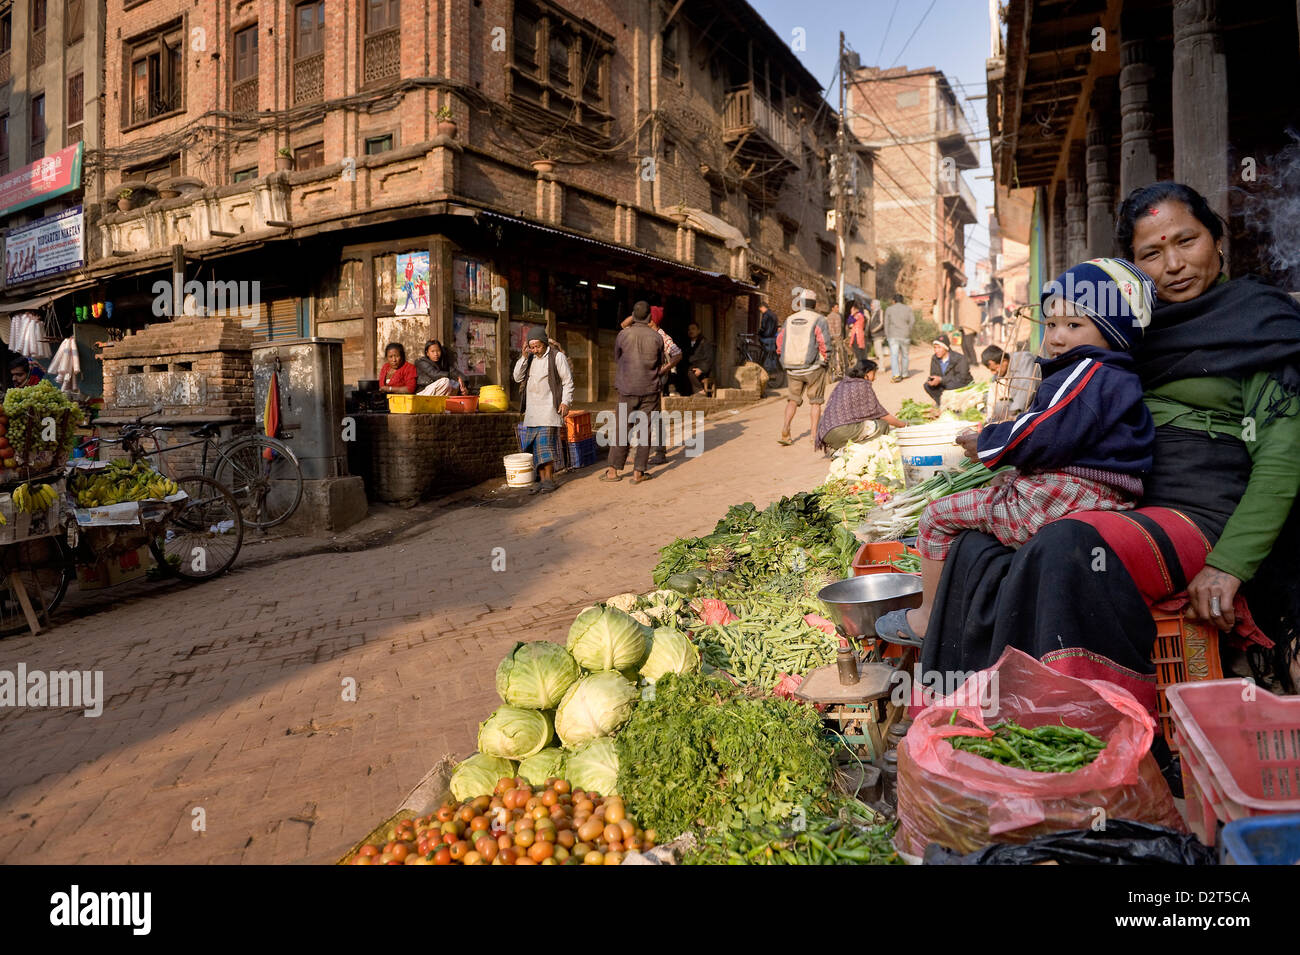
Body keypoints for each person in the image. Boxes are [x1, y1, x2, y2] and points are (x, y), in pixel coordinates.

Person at [916, 182, 1300, 788]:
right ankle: (990, 734)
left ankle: (1094, 749)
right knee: (974, 545)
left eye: (1187, 241)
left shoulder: (1258, 326)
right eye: (1151, 253)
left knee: (1068, 548)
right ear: (1133, 268)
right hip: (1121, 504)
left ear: (1218, 241)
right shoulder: (1124, 333)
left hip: (1201, 514)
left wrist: (1228, 565)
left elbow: (1283, 460)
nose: (1172, 264)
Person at [876, 258, 1158, 646]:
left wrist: (989, 441)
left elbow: (1046, 430)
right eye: (1052, 324)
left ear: (1114, 333)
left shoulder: (1086, 372)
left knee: (935, 516)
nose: (1057, 337)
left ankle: (926, 619)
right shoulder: (1117, 377)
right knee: (1002, 482)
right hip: (1101, 495)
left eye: (1074, 325)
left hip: (1062, 497)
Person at [602, 301, 664, 484]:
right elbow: (659, 363)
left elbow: (617, 358)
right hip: (649, 389)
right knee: (644, 430)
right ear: (649, 317)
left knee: (622, 428)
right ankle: (638, 473)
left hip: (627, 388)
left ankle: (613, 472)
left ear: (633, 316)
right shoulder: (656, 337)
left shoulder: (623, 335)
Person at [512, 327, 575, 494]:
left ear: (545, 343)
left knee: (546, 446)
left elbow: (567, 381)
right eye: (532, 347)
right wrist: (524, 357)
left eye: (537, 346)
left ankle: (549, 480)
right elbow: (517, 377)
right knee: (534, 447)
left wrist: (566, 402)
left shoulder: (557, 356)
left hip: (549, 409)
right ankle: (541, 480)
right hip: (532, 411)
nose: (535, 350)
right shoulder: (529, 358)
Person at [620, 305, 680, 465]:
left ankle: (658, 452)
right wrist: (637, 314)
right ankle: (639, 451)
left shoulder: (661, 336)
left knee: (654, 417)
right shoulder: (639, 330)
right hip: (640, 380)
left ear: (652, 319)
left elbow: (677, 353)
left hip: (654, 381)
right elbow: (623, 325)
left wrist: (663, 370)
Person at [816, 358, 909, 452]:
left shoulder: (844, 382)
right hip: (841, 431)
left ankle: (837, 447)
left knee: (870, 423)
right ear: (867, 374)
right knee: (882, 426)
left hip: (826, 432)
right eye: (874, 373)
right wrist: (902, 424)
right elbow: (882, 415)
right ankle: (847, 450)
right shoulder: (863, 385)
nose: (875, 378)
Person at [776, 289, 831, 447]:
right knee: (815, 402)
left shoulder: (790, 319)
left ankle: (786, 430)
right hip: (813, 368)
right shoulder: (819, 319)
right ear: (815, 304)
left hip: (792, 368)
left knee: (792, 400)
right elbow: (824, 343)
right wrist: (825, 360)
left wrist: (783, 357)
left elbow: (780, 341)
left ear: (800, 303)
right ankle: (813, 435)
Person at [923, 334, 973, 406]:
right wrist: (932, 380)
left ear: (946, 348)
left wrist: (941, 380)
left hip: (962, 384)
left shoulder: (960, 358)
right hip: (945, 384)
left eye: (939, 347)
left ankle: (953, 404)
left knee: (950, 386)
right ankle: (942, 404)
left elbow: (962, 378)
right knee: (927, 386)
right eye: (935, 348)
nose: (936, 350)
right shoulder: (934, 358)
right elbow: (933, 374)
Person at [883, 293, 915, 382]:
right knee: (905, 355)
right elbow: (912, 321)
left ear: (894, 301)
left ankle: (896, 375)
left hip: (893, 335)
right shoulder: (908, 309)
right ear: (902, 301)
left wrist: (887, 335)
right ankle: (904, 373)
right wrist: (908, 331)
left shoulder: (889, 309)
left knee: (894, 355)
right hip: (905, 335)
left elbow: (886, 323)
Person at [678, 322, 716, 396]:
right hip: (690, 367)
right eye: (689, 329)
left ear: (699, 331)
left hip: (702, 369)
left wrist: (701, 369)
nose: (691, 331)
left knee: (691, 372)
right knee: (680, 372)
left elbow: (709, 358)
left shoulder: (705, 342)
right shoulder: (686, 343)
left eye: (693, 329)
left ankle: (700, 391)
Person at [867, 298, 887, 364]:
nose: (871, 306)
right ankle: (880, 366)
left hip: (879, 335)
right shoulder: (873, 312)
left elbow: (881, 323)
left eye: (872, 305)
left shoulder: (880, 311)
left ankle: (882, 367)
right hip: (874, 336)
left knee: (879, 351)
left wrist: (874, 330)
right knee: (877, 351)